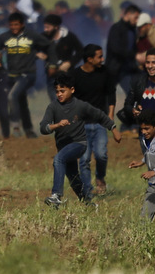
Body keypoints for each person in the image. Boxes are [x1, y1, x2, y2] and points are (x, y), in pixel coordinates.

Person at [37, 72, 116, 207]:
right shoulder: (53, 107)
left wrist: (113, 128)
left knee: (58, 159)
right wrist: (56, 125)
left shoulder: (81, 106)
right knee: (73, 178)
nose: (59, 94)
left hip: (79, 144)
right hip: (64, 147)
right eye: (57, 92)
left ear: (72, 90)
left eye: (62, 91)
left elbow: (100, 116)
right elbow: (43, 128)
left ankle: (56, 195)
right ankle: (88, 203)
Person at [0, 12, 48, 138]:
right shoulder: (5, 36)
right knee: (20, 101)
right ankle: (29, 130)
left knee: (12, 96)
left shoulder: (32, 36)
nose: (14, 27)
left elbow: (48, 45)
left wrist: (44, 57)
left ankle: (15, 127)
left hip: (28, 74)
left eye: (16, 24)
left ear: (22, 24)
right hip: (12, 75)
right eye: (11, 25)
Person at [71, 44, 118, 195]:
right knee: (84, 159)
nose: (102, 59)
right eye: (99, 56)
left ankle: (100, 178)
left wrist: (110, 114)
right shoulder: (75, 75)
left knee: (101, 154)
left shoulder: (105, 72)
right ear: (89, 59)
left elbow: (111, 94)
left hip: (99, 122)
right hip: (81, 125)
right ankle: (87, 189)